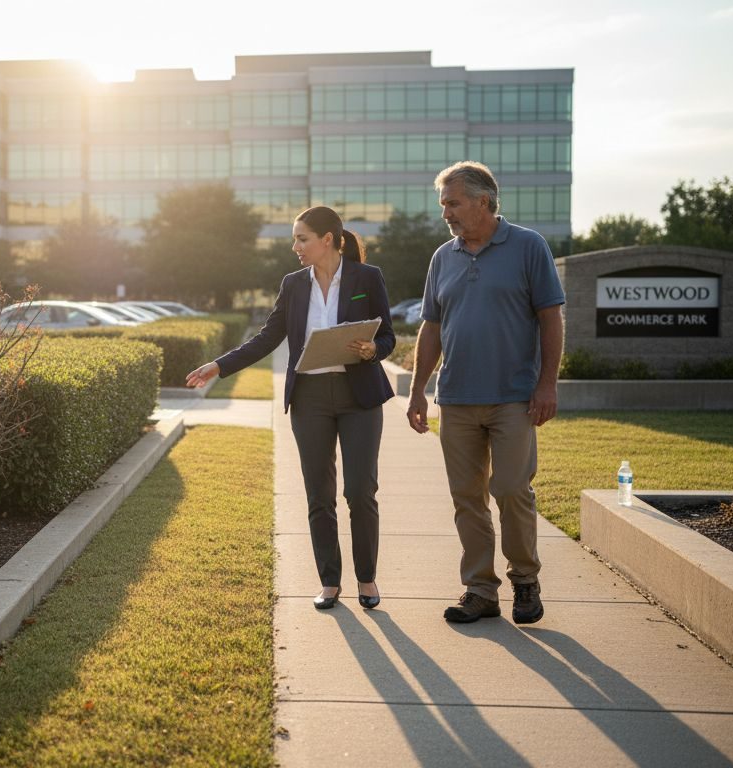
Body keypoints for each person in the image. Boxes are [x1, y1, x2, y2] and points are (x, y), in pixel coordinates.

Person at [186, 206, 396, 611]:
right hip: (310, 399)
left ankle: (366, 578)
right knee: (319, 493)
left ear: (328, 240)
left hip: (360, 398)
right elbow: (267, 337)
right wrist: (219, 365)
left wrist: (373, 349)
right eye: (295, 239)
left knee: (360, 490)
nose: (295, 246)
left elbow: (386, 335)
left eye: (302, 238)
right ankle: (330, 582)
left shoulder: (367, 278)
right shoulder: (293, 284)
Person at [406, 161, 565, 625]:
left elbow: (550, 318)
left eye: (453, 203)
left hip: (513, 397)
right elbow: (431, 328)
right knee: (467, 498)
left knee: (512, 490)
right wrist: (418, 390)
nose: (446, 213)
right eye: (443, 204)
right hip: (456, 398)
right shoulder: (443, 257)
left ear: (483, 201)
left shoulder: (528, 246)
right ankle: (480, 589)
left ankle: (525, 581)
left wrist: (547, 383)